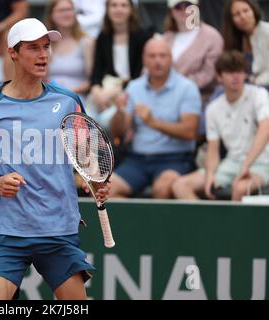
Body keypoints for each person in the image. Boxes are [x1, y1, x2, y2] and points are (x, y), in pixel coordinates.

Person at [0, 18, 109, 300]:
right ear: (13, 52)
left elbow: (85, 161)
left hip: (58, 230)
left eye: (47, 47)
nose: (43, 55)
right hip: (7, 232)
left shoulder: (68, 101)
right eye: (33, 48)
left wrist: (94, 181)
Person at [108, 37, 201, 199]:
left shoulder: (187, 88)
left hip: (175, 159)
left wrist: (153, 122)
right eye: (152, 56)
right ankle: (134, 224)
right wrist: (119, 112)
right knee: (107, 190)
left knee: (163, 188)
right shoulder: (134, 87)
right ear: (144, 59)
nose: (157, 61)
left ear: (171, 58)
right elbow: (118, 132)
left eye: (162, 55)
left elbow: (190, 131)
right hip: (137, 159)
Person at [172, 50, 269, 201]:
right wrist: (210, 174)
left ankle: (234, 225)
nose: (236, 76)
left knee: (240, 188)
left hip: (263, 162)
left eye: (239, 71)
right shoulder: (213, 108)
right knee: (180, 185)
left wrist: (246, 165)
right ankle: (205, 225)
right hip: (231, 163)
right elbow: (213, 148)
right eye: (230, 72)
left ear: (245, 74)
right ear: (219, 77)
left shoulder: (259, 94)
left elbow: (266, 128)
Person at [88, 0, 154, 128]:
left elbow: (139, 75)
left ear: (131, 10)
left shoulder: (142, 37)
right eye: (114, 5)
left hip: (131, 90)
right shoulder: (103, 36)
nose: (118, 9)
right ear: (107, 9)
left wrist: (114, 92)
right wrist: (97, 91)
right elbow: (97, 71)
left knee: (106, 122)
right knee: (86, 119)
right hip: (107, 88)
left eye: (123, 5)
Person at [163, 0, 224, 104]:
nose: (184, 11)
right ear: (171, 12)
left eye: (188, 6)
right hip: (164, 97)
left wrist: (176, 87)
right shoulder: (165, 38)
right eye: (178, 7)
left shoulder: (212, 37)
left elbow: (209, 74)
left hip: (200, 100)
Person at [45, 0, 95, 103]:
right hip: (50, 96)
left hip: (77, 97)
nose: (66, 14)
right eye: (61, 10)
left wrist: (69, 92)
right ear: (51, 14)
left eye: (69, 10)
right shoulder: (46, 42)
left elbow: (92, 80)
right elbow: (41, 78)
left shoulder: (87, 42)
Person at [222, 0, 269, 89]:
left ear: (253, 11)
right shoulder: (236, 39)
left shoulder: (267, 32)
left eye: (246, 11)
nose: (243, 17)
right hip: (243, 86)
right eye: (237, 14)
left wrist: (254, 82)